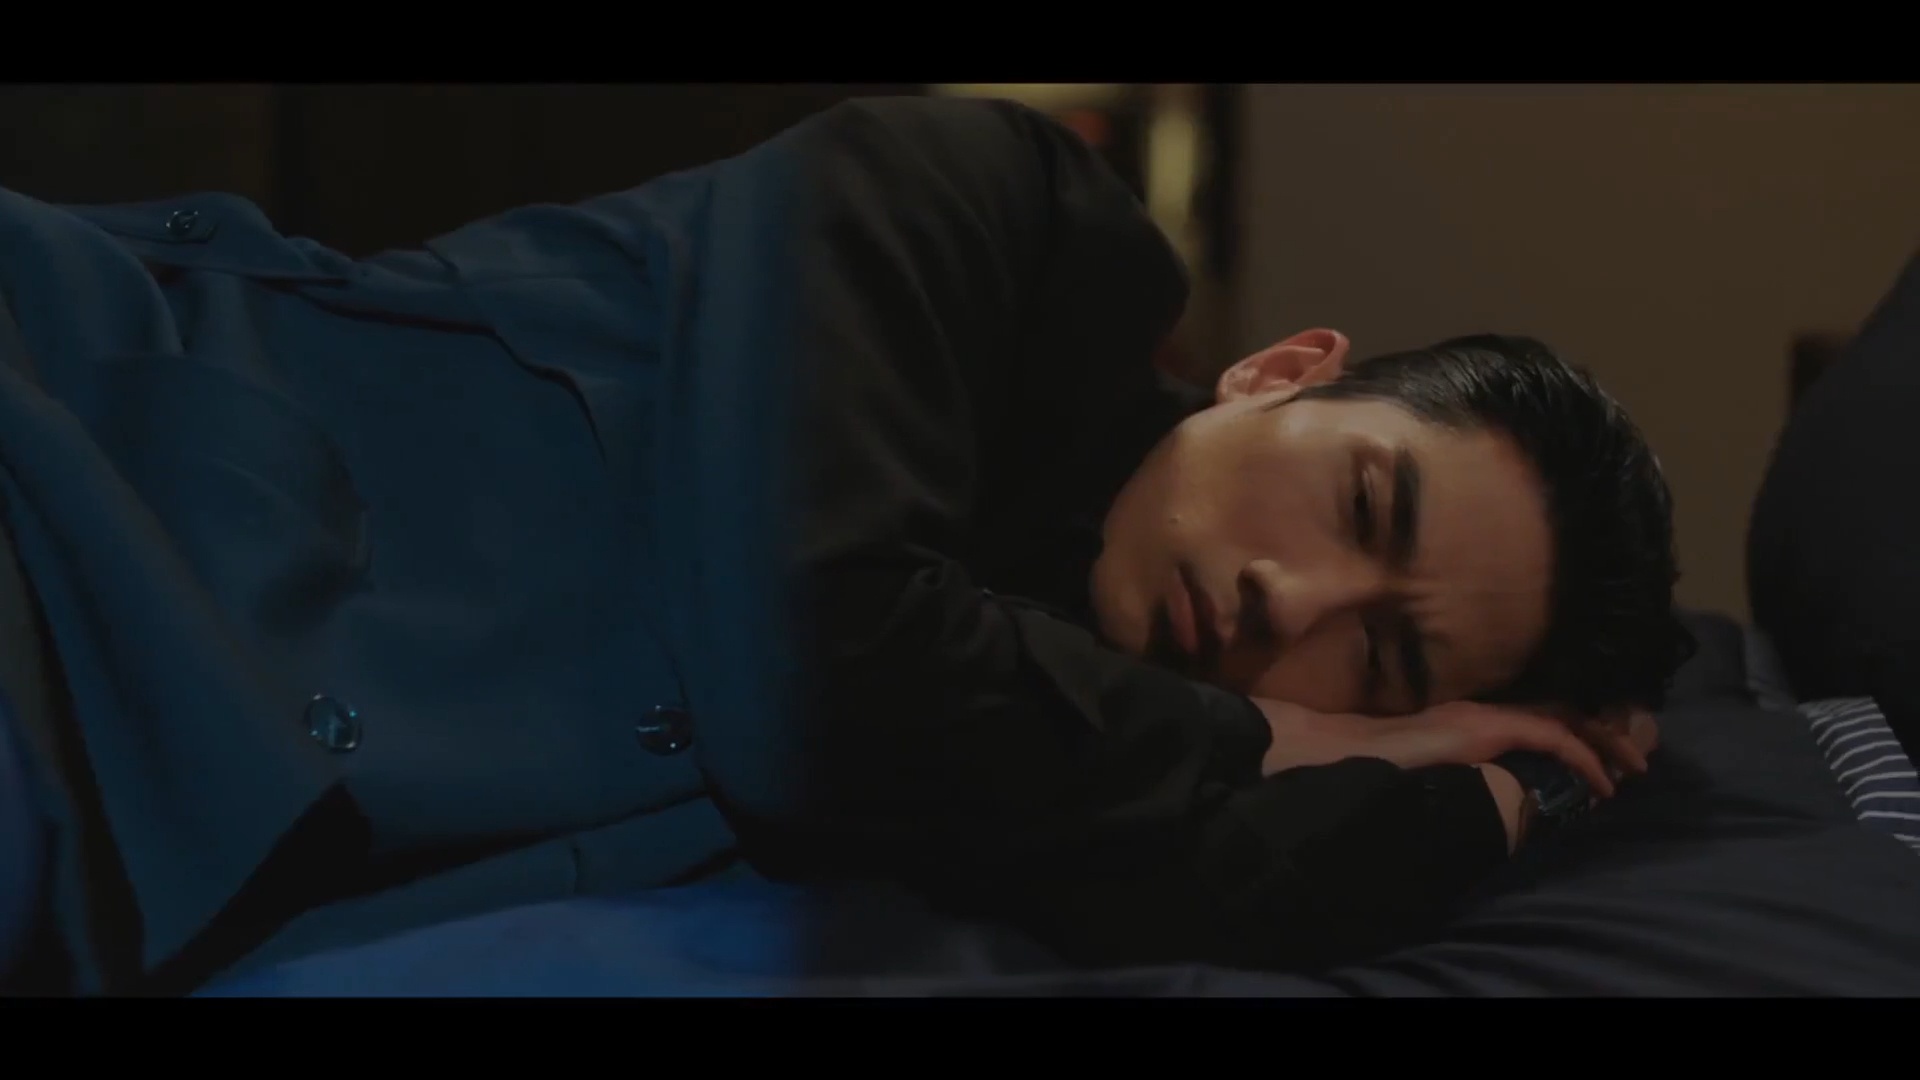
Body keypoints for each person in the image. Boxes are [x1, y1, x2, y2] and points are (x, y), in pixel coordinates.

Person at [0, 94, 1687, 995]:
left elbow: (1246, 892)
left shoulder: (1062, 775)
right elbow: (824, 659)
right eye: (1361, 506)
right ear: (1285, 371)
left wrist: (1467, 798)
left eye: (1379, 656)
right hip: (87, 476)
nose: (1285, 598)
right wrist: (1264, 728)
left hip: (124, 835)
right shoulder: (994, 207)